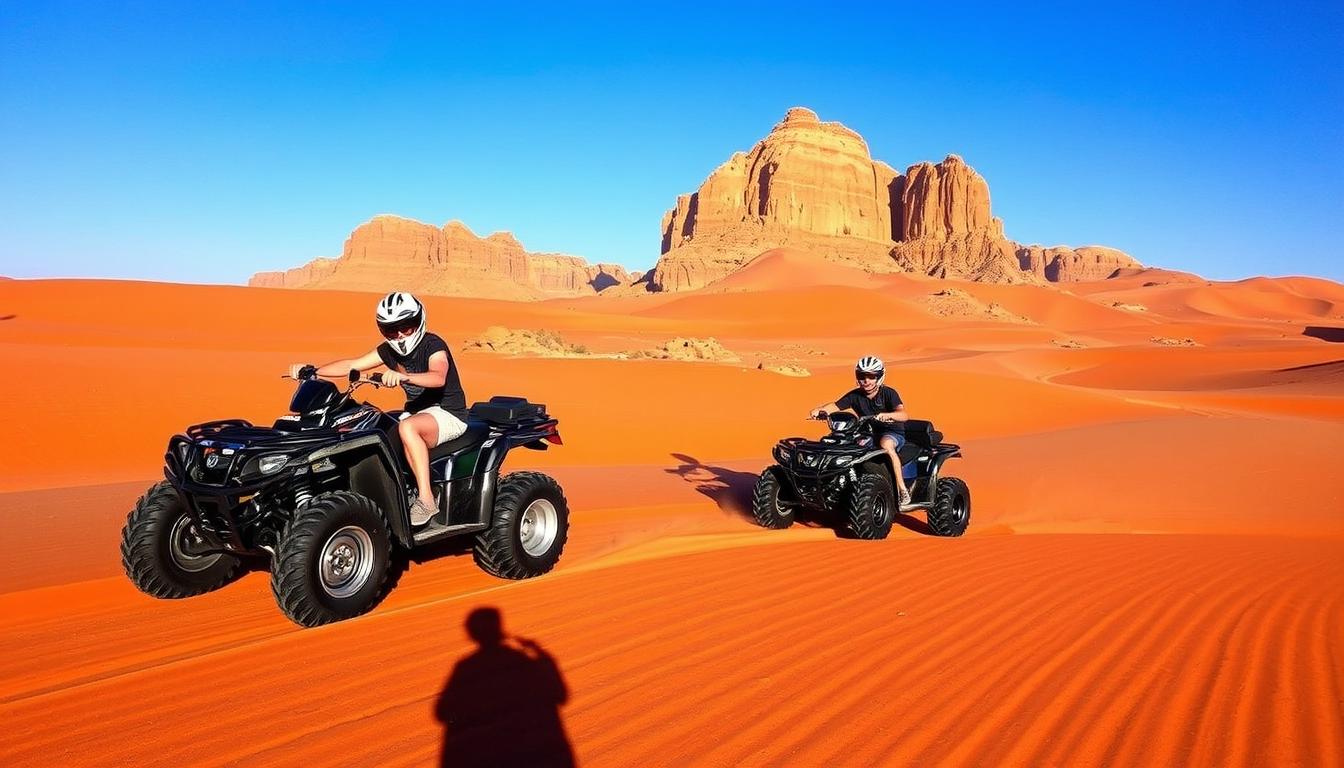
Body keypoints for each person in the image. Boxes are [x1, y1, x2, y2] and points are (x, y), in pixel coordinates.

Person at [290, 291, 468, 525]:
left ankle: (426, 500)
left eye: (407, 327)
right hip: (417, 413)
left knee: (407, 428)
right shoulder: (388, 350)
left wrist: (405, 377)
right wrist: (313, 370)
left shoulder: (432, 344)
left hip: (448, 413)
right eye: (391, 330)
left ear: (419, 321)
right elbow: (352, 364)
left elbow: (438, 376)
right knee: (376, 429)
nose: (400, 335)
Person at [809, 355, 914, 509]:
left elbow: (903, 415)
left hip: (893, 433)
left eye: (871, 376)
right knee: (838, 442)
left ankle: (902, 490)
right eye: (862, 376)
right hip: (867, 433)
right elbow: (836, 405)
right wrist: (820, 410)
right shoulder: (855, 395)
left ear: (879, 377)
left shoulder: (889, 393)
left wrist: (888, 415)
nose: (866, 380)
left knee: (886, 444)